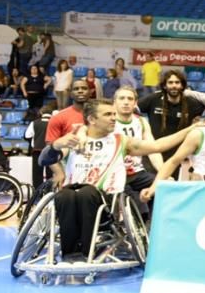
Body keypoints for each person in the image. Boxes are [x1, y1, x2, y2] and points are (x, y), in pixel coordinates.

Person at [40, 100, 191, 261]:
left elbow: (158, 146)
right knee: (64, 195)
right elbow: (43, 160)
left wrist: (190, 129)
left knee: (86, 192)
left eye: (114, 114)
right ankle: (70, 254)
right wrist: (55, 145)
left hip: (105, 202)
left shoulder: (121, 140)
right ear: (92, 119)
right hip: (73, 194)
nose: (114, 118)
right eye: (108, 114)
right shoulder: (75, 139)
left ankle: (85, 253)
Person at [138, 70, 205, 176]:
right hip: (153, 154)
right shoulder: (153, 99)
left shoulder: (191, 103)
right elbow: (134, 109)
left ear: (182, 85)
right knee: (153, 187)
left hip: (178, 156)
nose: (174, 86)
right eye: (170, 82)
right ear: (165, 86)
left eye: (177, 82)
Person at [112, 87, 163, 211]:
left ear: (135, 103)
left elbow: (153, 149)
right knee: (140, 206)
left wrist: (163, 173)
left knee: (164, 186)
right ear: (114, 102)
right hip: (115, 174)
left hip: (137, 173)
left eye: (130, 99)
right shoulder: (110, 121)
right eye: (122, 98)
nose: (126, 102)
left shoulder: (141, 122)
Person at [24, 103, 55, 187]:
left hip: (37, 151)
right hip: (51, 151)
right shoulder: (55, 122)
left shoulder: (34, 123)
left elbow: (27, 136)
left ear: (41, 113)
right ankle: (50, 192)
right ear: (51, 113)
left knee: (37, 173)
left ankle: (37, 193)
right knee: (51, 173)